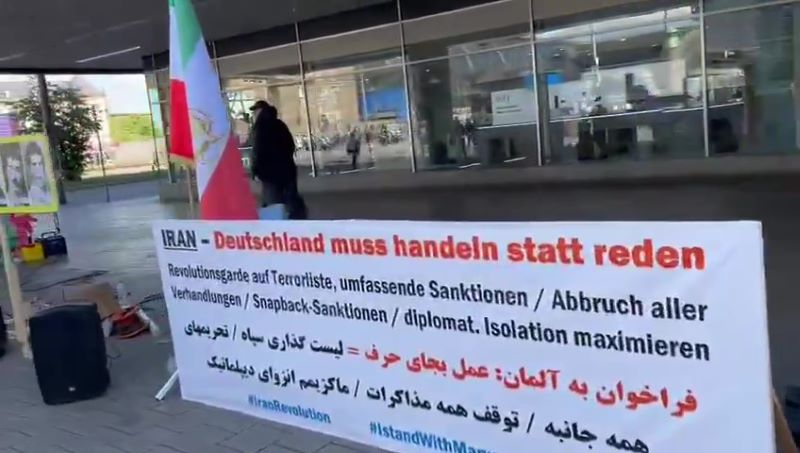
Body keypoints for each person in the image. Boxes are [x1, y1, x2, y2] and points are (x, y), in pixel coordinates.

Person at [249, 100, 307, 219]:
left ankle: (279, 226)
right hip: (287, 169)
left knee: (273, 202)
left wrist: (254, 170)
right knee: (290, 197)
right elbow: (290, 145)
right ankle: (296, 220)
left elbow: (257, 151)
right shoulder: (280, 124)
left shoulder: (260, 127)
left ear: (261, 111)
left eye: (255, 111)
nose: (253, 114)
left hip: (269, 172)